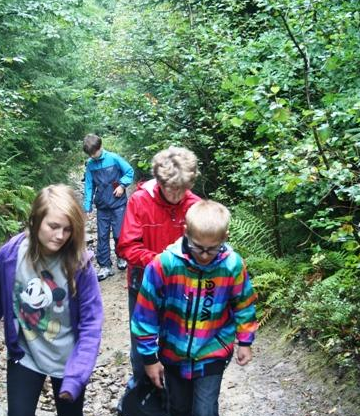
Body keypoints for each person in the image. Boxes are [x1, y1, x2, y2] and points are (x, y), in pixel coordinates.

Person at [0, 184, 104, 416]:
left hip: (68, 362)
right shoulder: (10, 256)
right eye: (53, 226)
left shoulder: (79, 265)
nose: (60, 236)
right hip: (26, 355)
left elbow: (91, 324)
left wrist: (76, 376)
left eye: (67, 229)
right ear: (35, 221)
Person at [131, 200, 258, 416]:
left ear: (225, 237)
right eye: (198, 247)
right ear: (186, 232)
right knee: (179, 408)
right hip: (173, 351)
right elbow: (146, 314)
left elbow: (243, 304)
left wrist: (245, 341)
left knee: (205, 410)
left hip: (213, 350)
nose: (205, 255)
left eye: (212, 248)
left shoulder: (232, 266)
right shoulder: (164, 265)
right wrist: (150, 358)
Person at [116, 146, 201, 396]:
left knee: (181, 348)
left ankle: (179, 402)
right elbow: (126, 246)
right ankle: (143, 399)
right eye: (170, 188)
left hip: (183, 291)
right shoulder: (140, 200)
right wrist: (162, 262)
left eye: (182, 189)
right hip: (143, 285)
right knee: (143, 347)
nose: (176, 195)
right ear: (159, 181)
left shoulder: (195, 206)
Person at [82, 133, 134, 281]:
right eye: (90, 154)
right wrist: (87, 206)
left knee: (119, 233)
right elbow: (89, 186)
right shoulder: (90, 165)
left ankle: (121, 257)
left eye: (94, 152)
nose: (93, 156)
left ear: (100, 147)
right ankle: (105, 265)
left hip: (118, 203)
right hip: (102, 205)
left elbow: (129, 171)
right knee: (102, 236)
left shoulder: (114, 158)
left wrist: (122, 186)